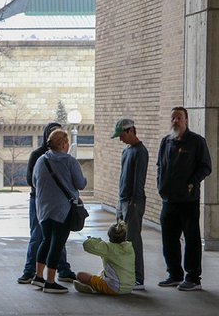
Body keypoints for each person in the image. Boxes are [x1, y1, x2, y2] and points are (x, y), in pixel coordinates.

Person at [157, 106, 212, 291]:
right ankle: (174, 274)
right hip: (169, 199)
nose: (176, 121)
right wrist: (160, 185)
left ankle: (193, 277)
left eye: (179, 118)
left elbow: (206, 167)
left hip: (188, 201)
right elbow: (160, 166)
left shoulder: (196, 142)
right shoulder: (166, 142)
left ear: (186, 121)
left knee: (191, 239)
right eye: (173, 118)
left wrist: (191, 183)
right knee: (169, 238)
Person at [18, 122, 76, 284]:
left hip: (57, 203)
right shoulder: (38, 155)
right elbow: (31, 180)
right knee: (38, 237)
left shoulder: (66, 158)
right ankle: (29, 271)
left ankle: (63, 269)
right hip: (39, 201)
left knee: (58, 239)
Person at [32, 129, 87, 294]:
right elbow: (80, 184)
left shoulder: (41, 160)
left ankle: (38, 277)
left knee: (46, 241)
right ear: (63, 144)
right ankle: (50, 282)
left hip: (43, 209)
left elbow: (34, 182)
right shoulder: (69, 161)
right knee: (57, 245)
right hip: (62, 210)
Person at [110, 118, 149, 290]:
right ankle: (124, 274)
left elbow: (138, 181)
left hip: (133, 202)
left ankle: (138, 278)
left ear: (131, 131)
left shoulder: (140, 151)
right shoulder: (126, 151)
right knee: (120, 240)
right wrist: (119, 203)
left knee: (133, 241)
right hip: (122, 201)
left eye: (122, 135)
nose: (120, 139)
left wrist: (133, 204)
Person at [74, 221, 135, 295]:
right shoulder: (130, 248)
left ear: (109, 237)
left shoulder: (108, 248)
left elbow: (87, 245)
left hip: (115, 288)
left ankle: (93, 287)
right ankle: (96, 285)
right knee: (102, 272)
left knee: (80, 275)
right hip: (129, 287)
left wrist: (98, 240)